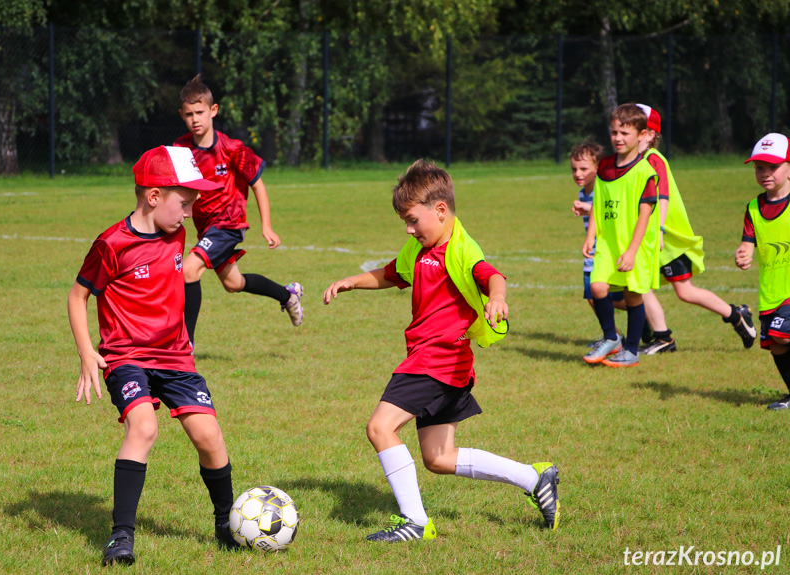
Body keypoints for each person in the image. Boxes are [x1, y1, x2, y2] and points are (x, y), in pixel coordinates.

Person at [323, 159, 560, 542]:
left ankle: (416, 523)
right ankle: (534, 477)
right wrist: (352, 281)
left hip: (437, 359)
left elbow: (491, 275)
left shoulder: (462, 249)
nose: (409, 228)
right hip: (446, 366)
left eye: (414, 220)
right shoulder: (420, 249)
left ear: (441, 210)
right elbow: (392, 273)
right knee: (437, 458)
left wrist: (497, 299)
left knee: (380, 427)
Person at [68, 146, 237, 565]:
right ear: (154, 196)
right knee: (143, 428)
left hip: (176, 357)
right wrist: (88, 352)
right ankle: (120, 536)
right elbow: (77, 295)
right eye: (185, 202)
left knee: (209, 438)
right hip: (125, 355)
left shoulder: (175, 231)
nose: (189, 212)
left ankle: (226, 524)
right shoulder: (111, 244)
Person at [174, 75, 303, 345]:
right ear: (182, 115)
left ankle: (186, 347)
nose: (195, 119)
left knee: (189, 270)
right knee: (234, 284)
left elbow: (258, 186)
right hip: (206, 228)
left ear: (213, 110)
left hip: (228, 225)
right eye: (188, 114)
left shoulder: (233, 149)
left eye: (199, 112)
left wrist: (266, 226)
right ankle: (287, 295)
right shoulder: (181, 149)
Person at [634, 104, 756, 355]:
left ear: (647, 134)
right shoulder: (635, 162)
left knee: (684, 291)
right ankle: (652, 333)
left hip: (668, 238)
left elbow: (663, 196)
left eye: (629, 129)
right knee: (634, 286)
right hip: (649, 236)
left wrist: (658, 229)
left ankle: (735, 315)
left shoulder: (653, 160)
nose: (620, 136)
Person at [582, 103, 660, 368]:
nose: (618, 138)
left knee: (632, 296)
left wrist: (632, 251)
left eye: (625, 133)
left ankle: (632, 350)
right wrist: (591, 235)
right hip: (608, 241)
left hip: (635, 245)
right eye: (615, 132)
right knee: (597, 287)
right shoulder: (604, 167)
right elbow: (598, 203)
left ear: (641, 135)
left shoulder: (646, 172)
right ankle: (610, 338)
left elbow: (645, 215)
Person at [735, 133, 790, 410]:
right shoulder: (754, 208)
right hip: (771, 291)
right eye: (759, 167)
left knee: (783, 335)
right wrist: (744, 254)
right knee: (776, 345)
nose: (765, 173)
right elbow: (748, 243)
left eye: (773, 166)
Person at [570, 140, 627, 346]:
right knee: (593, 296)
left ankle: (637, 317)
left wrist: (588, 209)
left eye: (584, 169)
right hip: (592, 252)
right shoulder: (583, 192)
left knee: (606, 296)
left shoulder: (603, 189)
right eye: (574, 169)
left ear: (598, 167)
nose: (578, 173)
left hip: (604, 252)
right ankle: (613, 335)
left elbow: (608, 216)